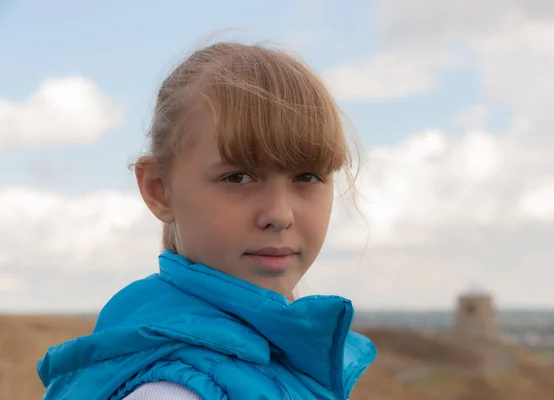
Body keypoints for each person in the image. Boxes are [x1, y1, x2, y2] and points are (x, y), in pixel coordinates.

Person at [37, 40, 376, 400]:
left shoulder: (275, 353)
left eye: (307, 177)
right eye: (237, 177)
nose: (278, 215)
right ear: (159, 189)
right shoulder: (171, 391)